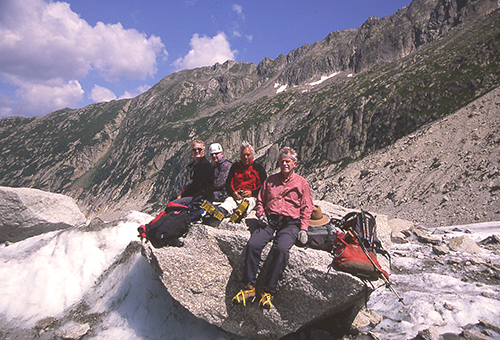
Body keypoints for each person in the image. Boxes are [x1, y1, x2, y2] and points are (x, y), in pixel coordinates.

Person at [232, 147, 314, 309]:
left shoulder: (302, 183)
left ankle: (267, 291)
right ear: (278, 162)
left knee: (282, 249)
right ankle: (249, 287)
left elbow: (307, 207)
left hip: (290, 223)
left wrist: (303, 228)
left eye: (288, 161)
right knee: (253, 244)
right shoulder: (270, 181)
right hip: (270, 220)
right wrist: (261, 214)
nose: (285, 164)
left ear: (294, 164)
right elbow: (260, 200)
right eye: (282, 161)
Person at [203, 141, 266, 224]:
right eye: (243, 155)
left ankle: (240, 213)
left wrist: (252, 192)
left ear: (252, 155)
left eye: (248, 155)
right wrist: (233, 193)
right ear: (240, 155)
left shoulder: (258, 168)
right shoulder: (235, 167)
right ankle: (220, 212)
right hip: (237, 196)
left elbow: (264, 186)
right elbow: (228, 183)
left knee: (249, 202)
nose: (246, 157)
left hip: (252, 196)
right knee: (229, 201)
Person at [175, 140, 214, 206]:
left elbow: (196, 186)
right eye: (194, 149)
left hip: (202, 197)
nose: (196, 151)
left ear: (203, 151)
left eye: (199, 149)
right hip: (195, 196)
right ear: (191, 151)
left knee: (174, 203)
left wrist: (182, 196)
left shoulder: (206, 166)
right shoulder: (194, 166)